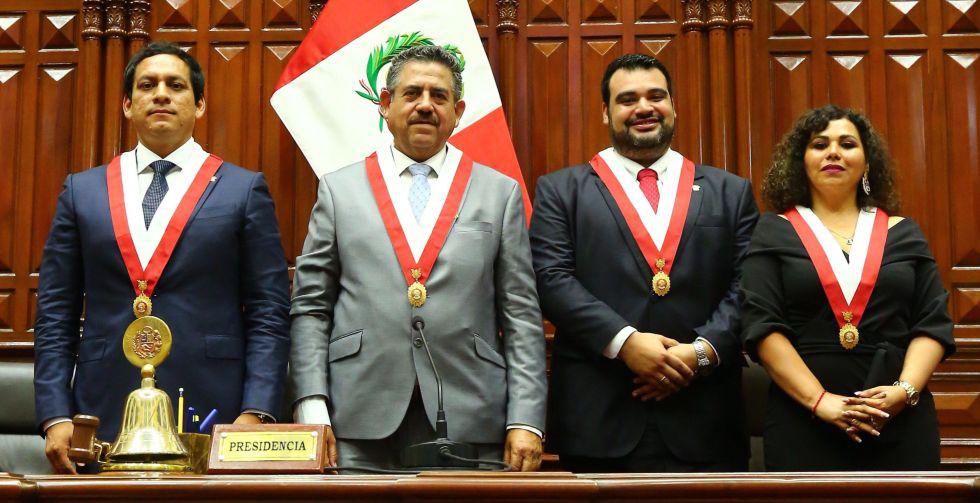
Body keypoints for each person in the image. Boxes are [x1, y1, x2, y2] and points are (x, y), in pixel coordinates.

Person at [34, 41, 291, 474]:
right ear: (127, 105)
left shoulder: (242, 190)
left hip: (215, 408)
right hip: (103, 409)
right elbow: (55, 312)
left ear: (201, 104)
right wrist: (55, 415)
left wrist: (257, 411)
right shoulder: (83, 191)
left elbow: (269, 309)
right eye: (147, 85)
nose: (161, 94)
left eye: (176, 86)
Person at [289, 45, 547, 472]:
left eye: (439, 96)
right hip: (355, 420)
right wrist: (312, 408)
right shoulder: (339, 190)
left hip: (470, 419)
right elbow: (311, 307)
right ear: (386, 105)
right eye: (412, 94)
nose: (425, 105)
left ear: (458, 111)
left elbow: (520, 315)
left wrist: (526, 420)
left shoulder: (499, 194)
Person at [529, 53, 759, 472]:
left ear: (673, 106)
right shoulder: (561, 191)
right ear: (605, 112)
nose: (643, 108)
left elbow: (750, 287)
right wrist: (626, 343)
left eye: (656, 96)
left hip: (705, 415)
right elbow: (551, 280)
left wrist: (699, 353)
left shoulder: (731, 192)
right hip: (600, 417)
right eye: (627, 99)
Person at [740, 104, 955, 470]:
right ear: (801, 160)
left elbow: (932, 324)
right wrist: (821, 401)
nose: (834, 152)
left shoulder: (904, 232)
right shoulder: (773, 231)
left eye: (847, 143)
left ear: (867, 161)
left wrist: (903, 393)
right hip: (804, 419)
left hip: (898, 421)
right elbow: (761, 327)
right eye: (819, 144)